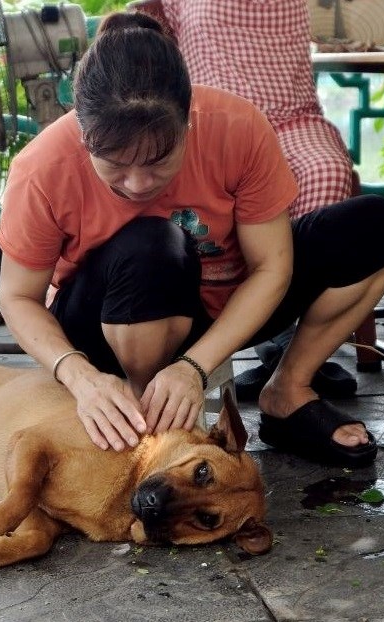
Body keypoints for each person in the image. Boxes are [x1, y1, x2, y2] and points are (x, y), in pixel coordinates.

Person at [0, 11, 384, 467]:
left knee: (373, 226)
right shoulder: (42, 167)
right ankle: (148, 416)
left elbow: (271, 266)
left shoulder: (237, 127)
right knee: (153, 244)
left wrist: (193, 367)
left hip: (217, 308)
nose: (137, 184)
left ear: (188, 120)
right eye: (115, 165)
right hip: (105, 324)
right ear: (84, 135)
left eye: (158, 161)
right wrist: (79, 375)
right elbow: (17, 297)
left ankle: (287, 392)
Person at [133, 0, 363, 402]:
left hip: (293, 119)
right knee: (214, 195)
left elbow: (342, 20)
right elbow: (145, 26)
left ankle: (297, 348)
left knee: (328, 173)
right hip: (213, 119)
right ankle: (265, 339)